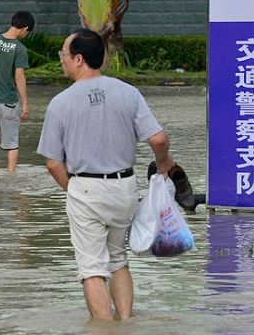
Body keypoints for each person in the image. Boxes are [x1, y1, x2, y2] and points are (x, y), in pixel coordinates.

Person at [36, 29, 175, 321]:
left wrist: (72, 188)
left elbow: (53, 163)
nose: (61, 60)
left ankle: (104, 329)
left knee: (91, 268)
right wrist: (163, 164)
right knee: (118, 260)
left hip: (85, 187)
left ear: (78, 59)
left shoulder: (60, 103)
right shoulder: (128, 92)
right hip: (125, 187)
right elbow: (159, 139)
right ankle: (125, 322)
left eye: (63, 54)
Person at [0, 11, 34, 173]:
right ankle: (11, 177)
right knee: (12, 144)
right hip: (8, 102)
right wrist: (25, 103)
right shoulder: (19, 48)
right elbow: (19, 76)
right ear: (25, 29)